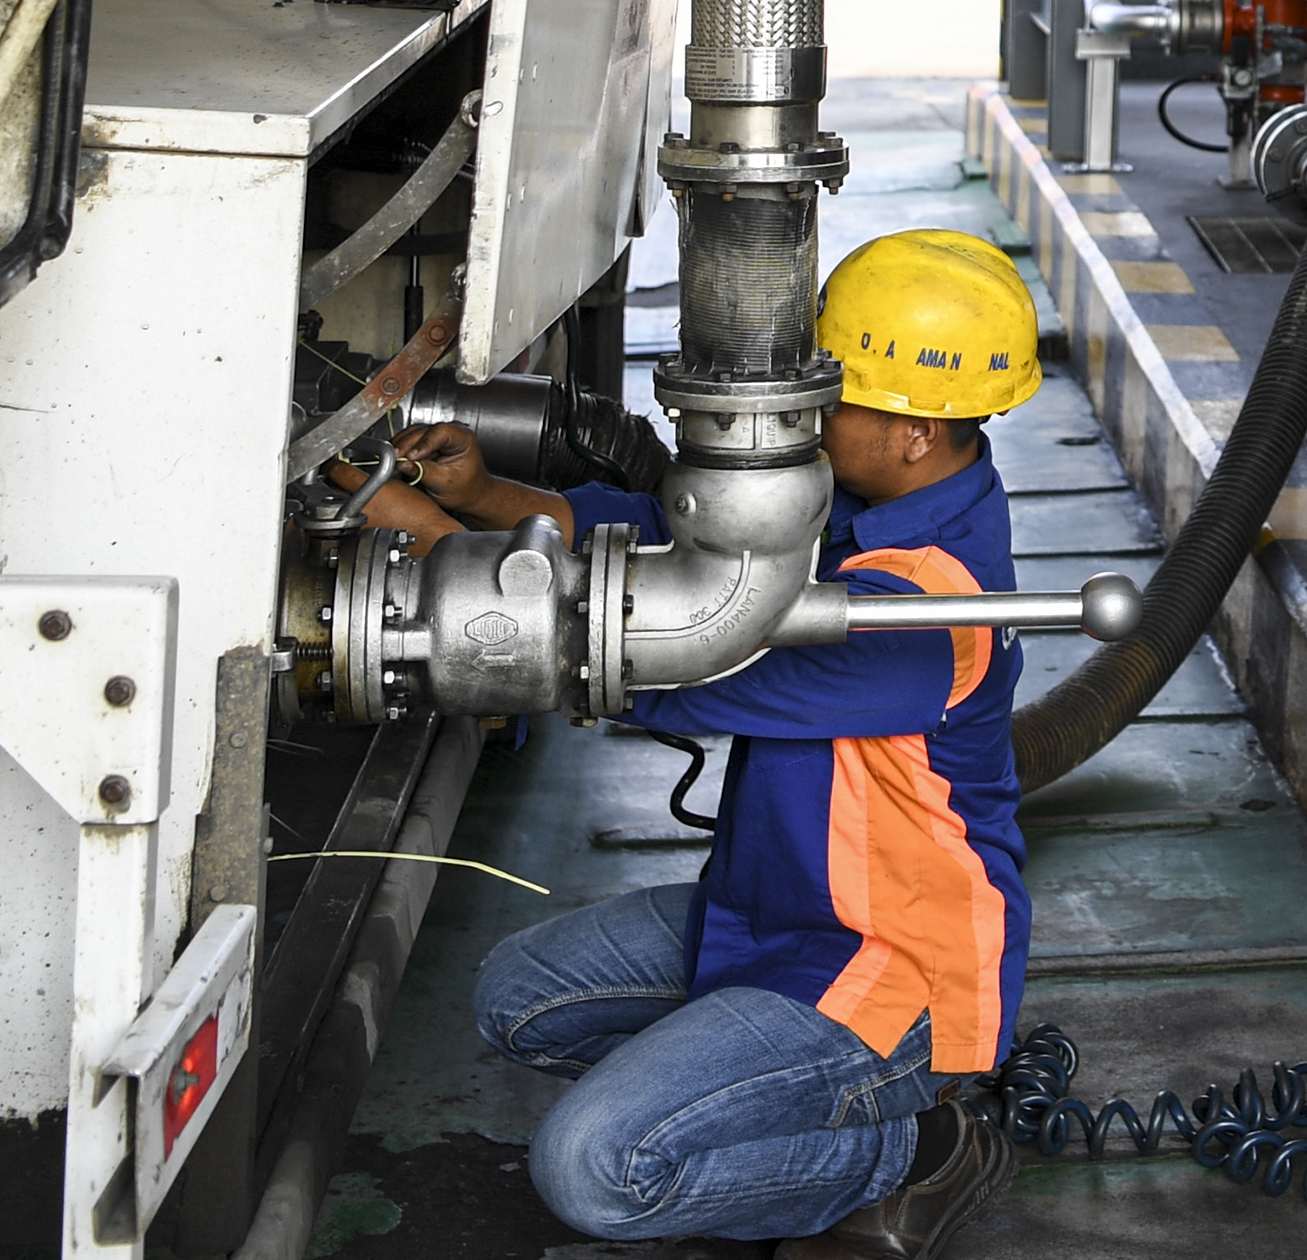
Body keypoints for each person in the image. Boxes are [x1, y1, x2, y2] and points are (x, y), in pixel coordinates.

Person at [344, 229, 1044, 1259]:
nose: (805, 415)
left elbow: (691, 650)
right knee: (517, 1001)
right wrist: (485, 502)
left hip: (885, 967)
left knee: (597, 1171)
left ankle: (917, 1146)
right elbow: (672, 548)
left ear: (913, 435)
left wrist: (451, 557)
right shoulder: (859, 501)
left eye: (832, 397)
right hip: (775, 914)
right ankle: (751, 1081)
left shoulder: (927, 614)